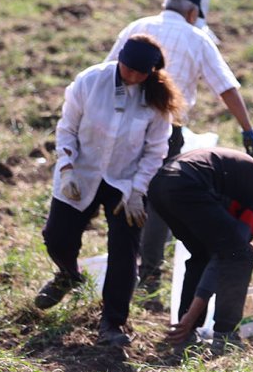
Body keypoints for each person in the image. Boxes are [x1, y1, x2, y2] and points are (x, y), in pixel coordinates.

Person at [106, 0, 253, 296]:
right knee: (158, 197)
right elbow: (226, 87)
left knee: (122, 190)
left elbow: (109, 72)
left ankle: (121, 265)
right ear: (192, 13)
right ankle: (148, 272)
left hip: (123, 124)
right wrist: (247, 128)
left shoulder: (137, 26)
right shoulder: (197, 37)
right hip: (166, 129)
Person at [33, 35, 182, 347]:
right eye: (128, 69)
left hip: (124, 182)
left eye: (140, 72)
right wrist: (67, 168)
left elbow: (155, 150)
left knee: (125, 253)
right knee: (57, 237)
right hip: (82, 173)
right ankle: (68, 275)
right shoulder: (90, 81)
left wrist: (138, 191)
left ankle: (113, 323)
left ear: (152, 71)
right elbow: (67, 128)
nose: (132, 76)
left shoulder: (157, 100)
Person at [151, 147, 253, 350]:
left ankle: (185, 336)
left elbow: (216, 253)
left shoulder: (249, 188)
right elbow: (229, 255)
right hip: (188, 184)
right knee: (242, 255)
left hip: (160, 184)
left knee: (202, 255)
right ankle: (225, 337)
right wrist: (192, 316)